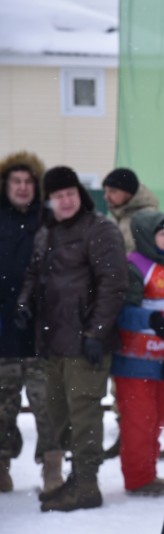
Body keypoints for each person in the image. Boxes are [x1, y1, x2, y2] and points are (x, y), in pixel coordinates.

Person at [16, 166, 128, 512]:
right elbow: (35, 273)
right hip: (51, 343)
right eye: (58, 196)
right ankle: (76, 477)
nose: (65, 201)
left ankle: (87, 485)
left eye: (70, 194)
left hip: (85, 345)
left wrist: (96, 333)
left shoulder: (100, 230)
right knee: (59, 415)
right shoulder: (46, 233)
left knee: (85, 417)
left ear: (79, 194)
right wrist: (24, 303)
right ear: (49, 200)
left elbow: (114, 285)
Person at [102, 167, 164, 458]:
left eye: (112, 190)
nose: (107, 196)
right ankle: (131, 439)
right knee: (134, 394)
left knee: (150, 389)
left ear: (127, 192)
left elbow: (139, 261)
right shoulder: (119, 217)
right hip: (137, 308)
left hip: (144, 306)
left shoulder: (138, 220)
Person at [111, 210, 164, 495]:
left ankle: (148, 472)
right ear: (147, 237)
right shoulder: (134, 267)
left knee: (156, 420)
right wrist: (151, 321)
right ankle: (138, 479)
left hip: (163, 361)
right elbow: (120, 313)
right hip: (134, 362)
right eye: (162, 234)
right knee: (138, 424)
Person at [0, 153, 62, 494]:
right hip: (4, 332)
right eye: (15, 182)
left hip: (43, 332)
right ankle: (1, 467)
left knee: (48, 404)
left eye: (27, 182)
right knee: (2, 406)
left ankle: (52, 468)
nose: (22, 188)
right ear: (5, 186)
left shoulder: (50, 220)